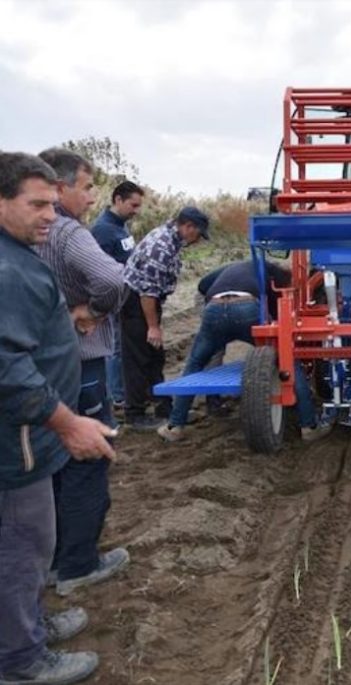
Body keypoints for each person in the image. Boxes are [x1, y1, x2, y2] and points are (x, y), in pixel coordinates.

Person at [0, 151, 116, 685]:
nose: (51, 215)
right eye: (37, 204)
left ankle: (30, 624)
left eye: (53, 203)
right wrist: (67, 422)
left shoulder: (18, 255)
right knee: (22, 545)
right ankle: (21, 659)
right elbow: (6, 365)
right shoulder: (8, 269)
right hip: (17, 439)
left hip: (28, 433)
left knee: (30, 543)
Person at [36, 148, 130, 597]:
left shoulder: (23, 235)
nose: (92, 197)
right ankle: (79, 564)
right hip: (81, 359)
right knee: (89, 455)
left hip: (39, 363)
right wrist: (92, 309)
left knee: (50, 458)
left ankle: (51, 561)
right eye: (87, 187)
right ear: (60, 187)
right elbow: (114, 281)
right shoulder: (69, 233)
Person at [156, 260, 333, 443]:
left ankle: (175, 426)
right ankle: (309, 426)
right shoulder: (266, 267)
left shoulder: (228, 268)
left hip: (214, 310)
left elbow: (202, 286)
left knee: (194, 363)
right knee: (287, 362)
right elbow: (281, 293)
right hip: (246, 308)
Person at [120, 206, 209, 429]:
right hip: (136, 303)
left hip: (147, 301)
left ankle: (163, 407)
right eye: (198, 234)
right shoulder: (160, 247)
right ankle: (135, 414)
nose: (197, 240)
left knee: (155, 356)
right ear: (187, 226)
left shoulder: (172, 238)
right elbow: (147, 292)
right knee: (138, 358)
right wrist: (152, 326)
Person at [92, 180, 145, 411]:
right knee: (115, 349)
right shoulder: (103, 230)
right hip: (113, 298)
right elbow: (98, 269)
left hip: (127, 296)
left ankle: (121, 390)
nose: (136, 211)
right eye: (133, 205)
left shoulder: (121, 226)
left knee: (123, 347)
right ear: (118, 200)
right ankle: (117, 396)